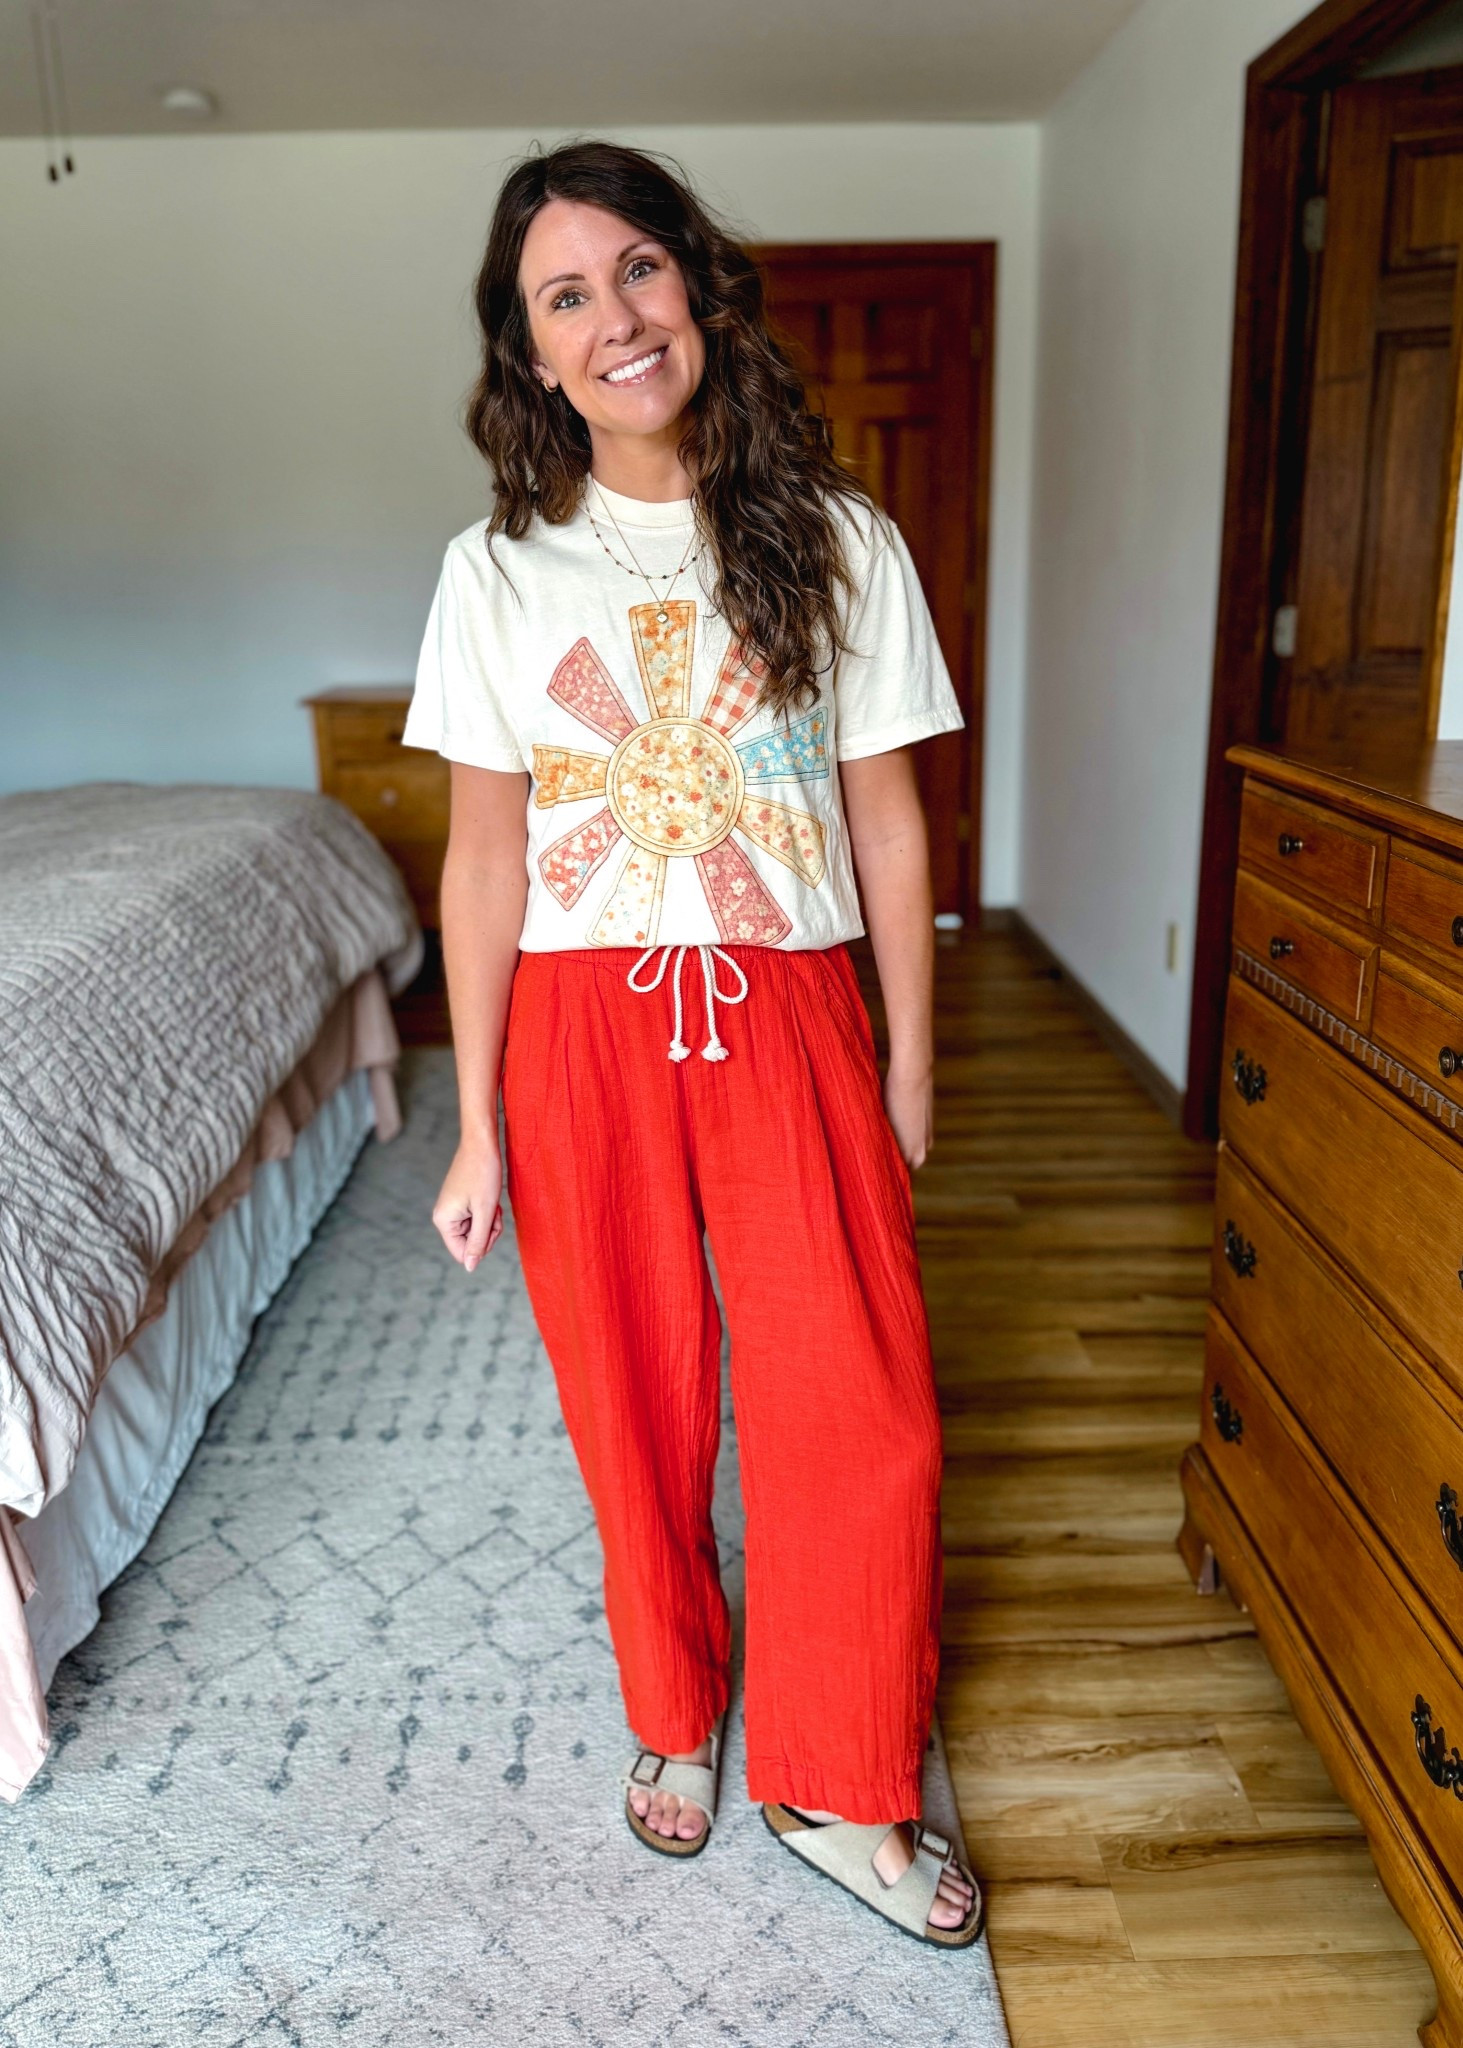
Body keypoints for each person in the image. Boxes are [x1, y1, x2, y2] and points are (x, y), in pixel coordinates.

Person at [403, 137, 982, 1950]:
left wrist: (907, 1062)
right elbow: (483, 862)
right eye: (566, 296)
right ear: (532, 352)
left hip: (788, 1001)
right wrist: (478, 1121)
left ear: (698, 285)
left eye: (638, 269)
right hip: (585, 1024)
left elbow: (887, 822)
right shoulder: (498, 574)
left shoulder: (840, 539)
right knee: (632, 1397)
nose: (616, 318)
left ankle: (838, 1770)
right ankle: (675, 1701)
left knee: (860, 1405)